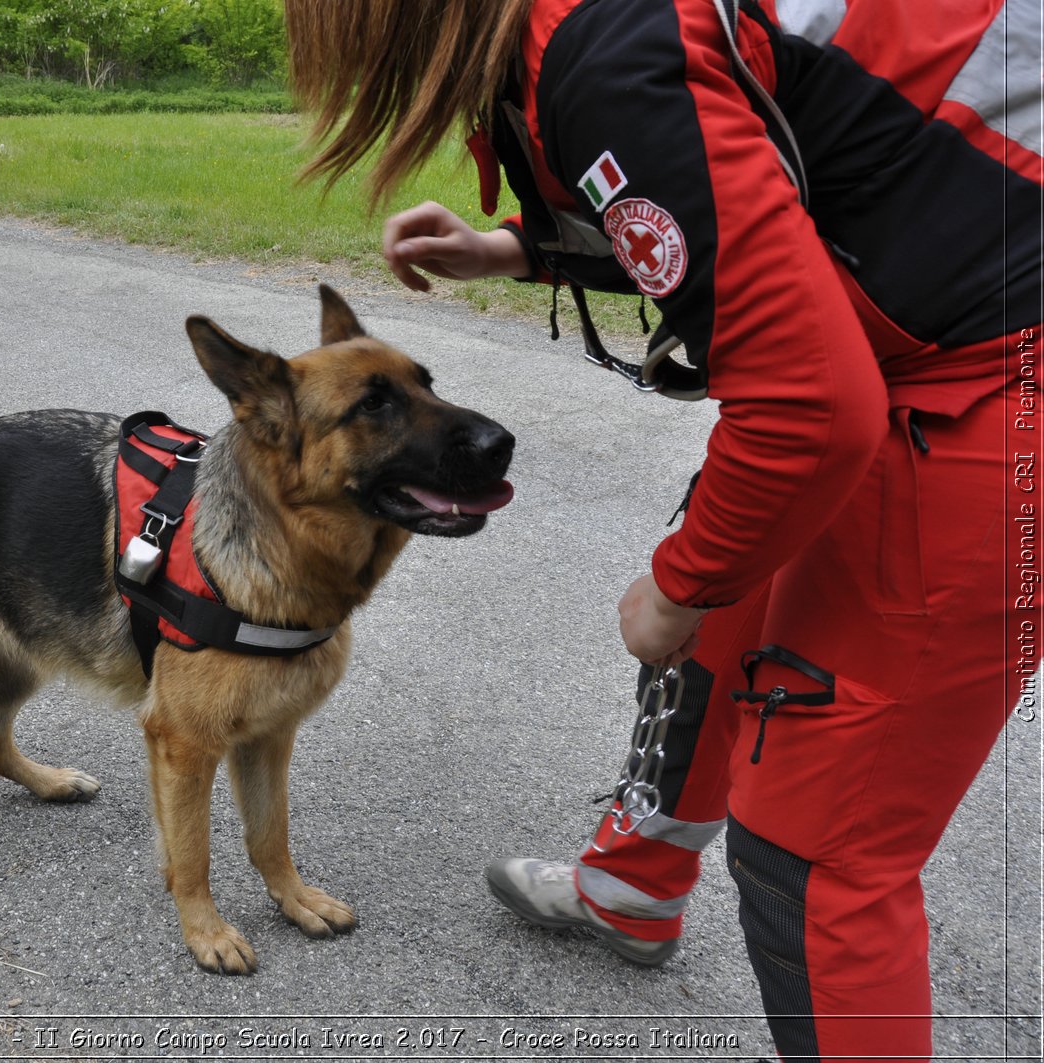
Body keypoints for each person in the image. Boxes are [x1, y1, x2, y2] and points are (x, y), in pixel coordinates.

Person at [282, 0, 1042, 1059]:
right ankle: (631, 883)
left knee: (820, 853)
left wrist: (675, 586)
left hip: (998, 378)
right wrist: (515, 249)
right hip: (946, 332)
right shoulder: (592, 25)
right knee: (730, 588)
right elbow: (763, 184)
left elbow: (806, 406)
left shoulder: (598, 41)